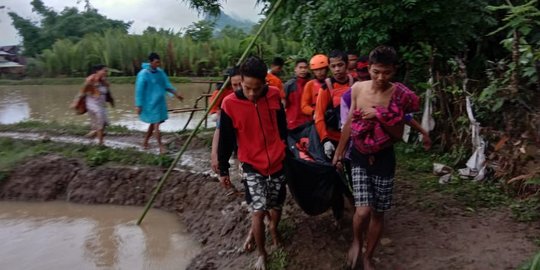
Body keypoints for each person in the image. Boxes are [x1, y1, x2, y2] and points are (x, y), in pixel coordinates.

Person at [332, 46, 422, 270]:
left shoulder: (398, 96)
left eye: (387, 73)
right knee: (362, 210)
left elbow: (398, 135)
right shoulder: (358, 89)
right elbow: (350, 123)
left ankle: (369, 256)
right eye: (376, 72)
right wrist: (339, 153)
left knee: (378, 213)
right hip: (360, 155)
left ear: (394, 71)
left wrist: (380, 116)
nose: (381, 77)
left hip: (384, 158)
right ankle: (356, 241)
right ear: (368, 68)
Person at [218, 56, 287, 270]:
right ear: (240, 82)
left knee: (276, 206)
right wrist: (223, 168)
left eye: (257, 89)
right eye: (247, 88)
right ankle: (262, 253)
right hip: (251, 164)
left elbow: (282, 127)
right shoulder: (229, 103)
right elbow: (226, 139)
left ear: (265, 83)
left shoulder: (274, 96)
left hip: (277, 161)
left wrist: (284, 148)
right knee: (257, 210)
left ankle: (274, 229)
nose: (251, 94)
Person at [135, 52, 183, 154]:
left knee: (153, 124)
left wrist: (176, 94)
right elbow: (139, 90)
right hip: (150, 103)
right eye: (156, 62)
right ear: (150, 62)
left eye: (159, 62)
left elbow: (166, 84)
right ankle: (161, 147)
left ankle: (145, 142)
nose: (158, 64)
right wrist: (139, 105)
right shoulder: (143, 74)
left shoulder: (160, 72)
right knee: (156, 124)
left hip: (159, 102)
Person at [314, 50, 355, 160]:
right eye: (333, 66)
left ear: (346, 65)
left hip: (353, 137)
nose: (337, 69)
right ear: (330, 68)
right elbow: (319, 116)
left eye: (340, 65)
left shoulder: (357, 84)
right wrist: (325, 140)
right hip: (333, 139)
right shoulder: (325, 88)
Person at [210, 66, 242, 173]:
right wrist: (214, 154)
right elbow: (219, 130)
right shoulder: (228, 103)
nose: (238, 89)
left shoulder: (256, 100)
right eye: (235, 85)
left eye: (241, 84)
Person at [77, 64, 113, 145]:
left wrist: (111, 100)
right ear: (98, 71)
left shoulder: (104, 80)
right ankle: (101, 143)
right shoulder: (90, 80)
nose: (106, 72)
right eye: (104, 70)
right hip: (92, 104)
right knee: (100, 121)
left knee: (103, 123)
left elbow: (107, 91)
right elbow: (82, 91)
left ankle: (94, 133)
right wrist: (77, 102)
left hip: (101, 104)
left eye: (106, 71)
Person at [283, 58, 311, 130]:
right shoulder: (289, 85)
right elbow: (283, 104)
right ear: (295, 69)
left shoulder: (311, 84)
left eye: (305, 67)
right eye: (300, 67)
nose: (303, 70)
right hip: (293, 123)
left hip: (309, 122)